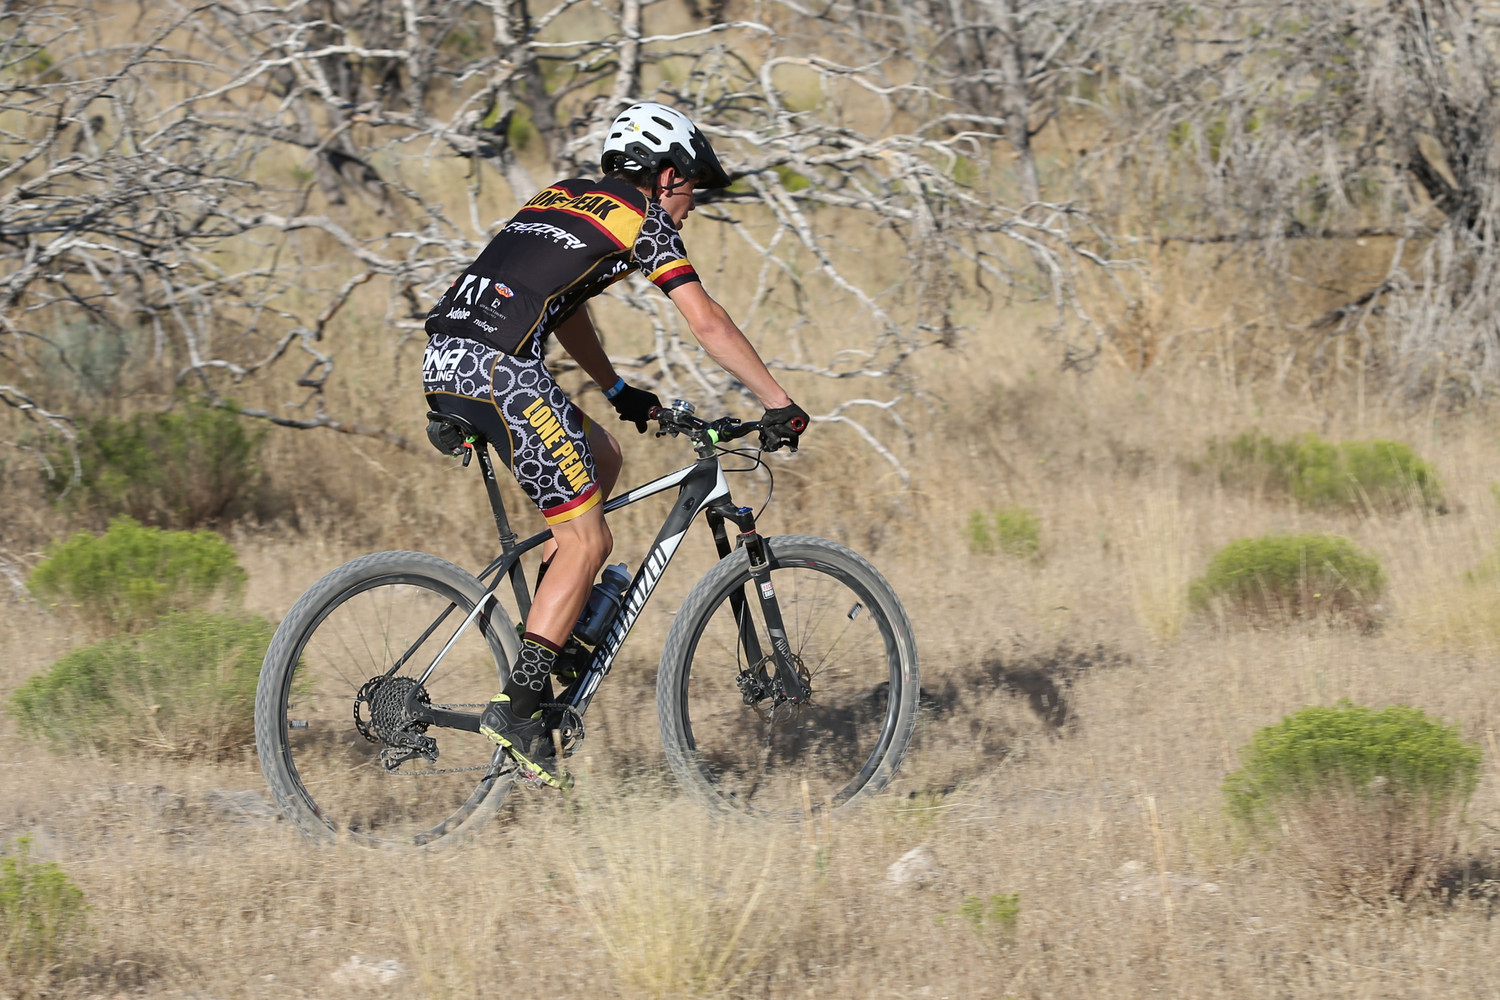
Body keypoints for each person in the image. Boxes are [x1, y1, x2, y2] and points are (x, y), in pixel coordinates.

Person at [421, 102, 809, 787]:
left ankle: (561, 630)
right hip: (499, 371)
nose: (692, 206)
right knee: (588, 541)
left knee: (601, 456)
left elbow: (561, 308)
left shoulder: (563, 195)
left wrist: (618, 389)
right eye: (692, 187)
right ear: (666, 176)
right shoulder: (642, 219)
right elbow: (707, 322)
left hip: (445, 362)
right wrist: (779, 402)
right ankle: (519, 710)